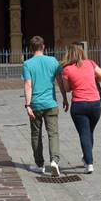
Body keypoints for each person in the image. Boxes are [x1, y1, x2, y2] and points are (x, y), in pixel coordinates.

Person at [22, 35, 67, 176]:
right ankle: (54, 161)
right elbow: (60, 81)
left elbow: (28, 85)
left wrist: (27, 105)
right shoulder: (53, 61)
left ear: (31, 49)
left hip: (35, 104)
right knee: (53, 133)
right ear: (43, 47)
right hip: (51, 104)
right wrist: (65, 98)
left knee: (36, 135)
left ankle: (40, 164)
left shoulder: (27, 64)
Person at [61, 43, 101, 173]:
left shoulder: (67, 69)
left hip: (79, 105)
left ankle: (89, 161)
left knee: (84, 133)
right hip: (95, 104)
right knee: (89, 131)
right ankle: (87, 157)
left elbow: (67, 88)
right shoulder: (90, 63)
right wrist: (91, 77)